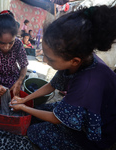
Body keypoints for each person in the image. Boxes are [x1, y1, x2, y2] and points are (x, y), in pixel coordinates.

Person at [10, 5, 116, 150]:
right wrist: (25, 100)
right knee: (37, 110)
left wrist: (24, 107)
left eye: (50, 59)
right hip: (83, 109)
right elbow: (52, 85)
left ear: (75, 61)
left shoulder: (88, 84)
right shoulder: (78, 59)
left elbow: (56, 118)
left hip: (98, 134)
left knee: (35, 131)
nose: (46, 61)